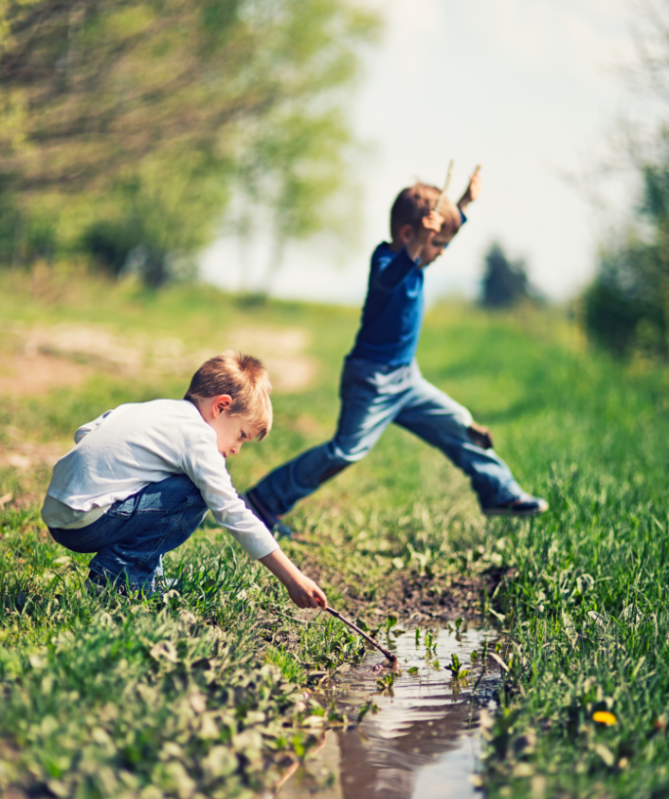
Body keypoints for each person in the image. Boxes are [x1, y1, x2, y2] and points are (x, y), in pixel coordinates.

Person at [244, 171, 547, 534]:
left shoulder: (417, 261)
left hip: (407, 379)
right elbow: (390, 279)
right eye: (438, 244)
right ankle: (263, 501)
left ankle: (499, 492)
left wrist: (464, 203)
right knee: (345, 452)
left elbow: (438, 236)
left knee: (461, 426)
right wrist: (419, 243)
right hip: (371, 381)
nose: (442, 252)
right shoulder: (386, 262)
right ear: (410, 235)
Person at [41, 352, 327, 609]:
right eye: (241, 435)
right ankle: (116, 578)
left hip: (59, 514)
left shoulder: (154, 409)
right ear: (221, 407)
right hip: (87, 523)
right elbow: (232, 512)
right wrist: (292, 578)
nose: (237, 449)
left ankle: (146, 577)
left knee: (176, 481)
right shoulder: (197, 436)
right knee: (195, 491)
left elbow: (85, 433)